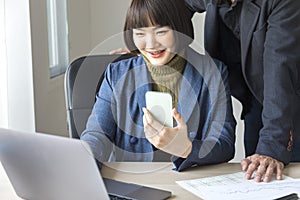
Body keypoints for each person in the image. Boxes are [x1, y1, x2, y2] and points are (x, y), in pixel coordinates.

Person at [81, 0, 236, 172]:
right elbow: (97, 134)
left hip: (189, 180)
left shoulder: (212, 72)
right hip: (134, 182)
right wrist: (83, 160)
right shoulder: (116, 73)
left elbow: (225, 144)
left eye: (161, 32)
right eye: (140, 34)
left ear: (179, 29)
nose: (151, 44)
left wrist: (186, 148)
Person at [184, 0, 300, 181]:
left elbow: (279, 70)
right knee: (254, 177)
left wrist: (272, 146)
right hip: (253, 97)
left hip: (289, 100)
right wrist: (142, 37)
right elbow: (172, 6)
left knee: (281, 176)